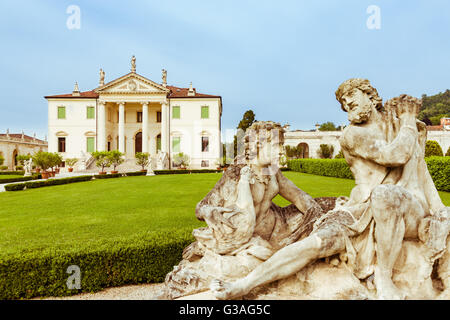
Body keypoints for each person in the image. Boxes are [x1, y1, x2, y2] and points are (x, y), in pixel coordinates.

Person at [211, 79, 449, 300]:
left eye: (351, 95)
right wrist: (408, 120)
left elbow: (420, 170)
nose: (347, 103)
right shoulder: (352, 135)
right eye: (343, 102)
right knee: (315, 244)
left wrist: (439, 209)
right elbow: (395, 155)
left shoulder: (402, 128)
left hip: (405, 209)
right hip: (361, 210)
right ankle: (243, 285)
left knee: (384, 195)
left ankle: (384, 278)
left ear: (370, 95)